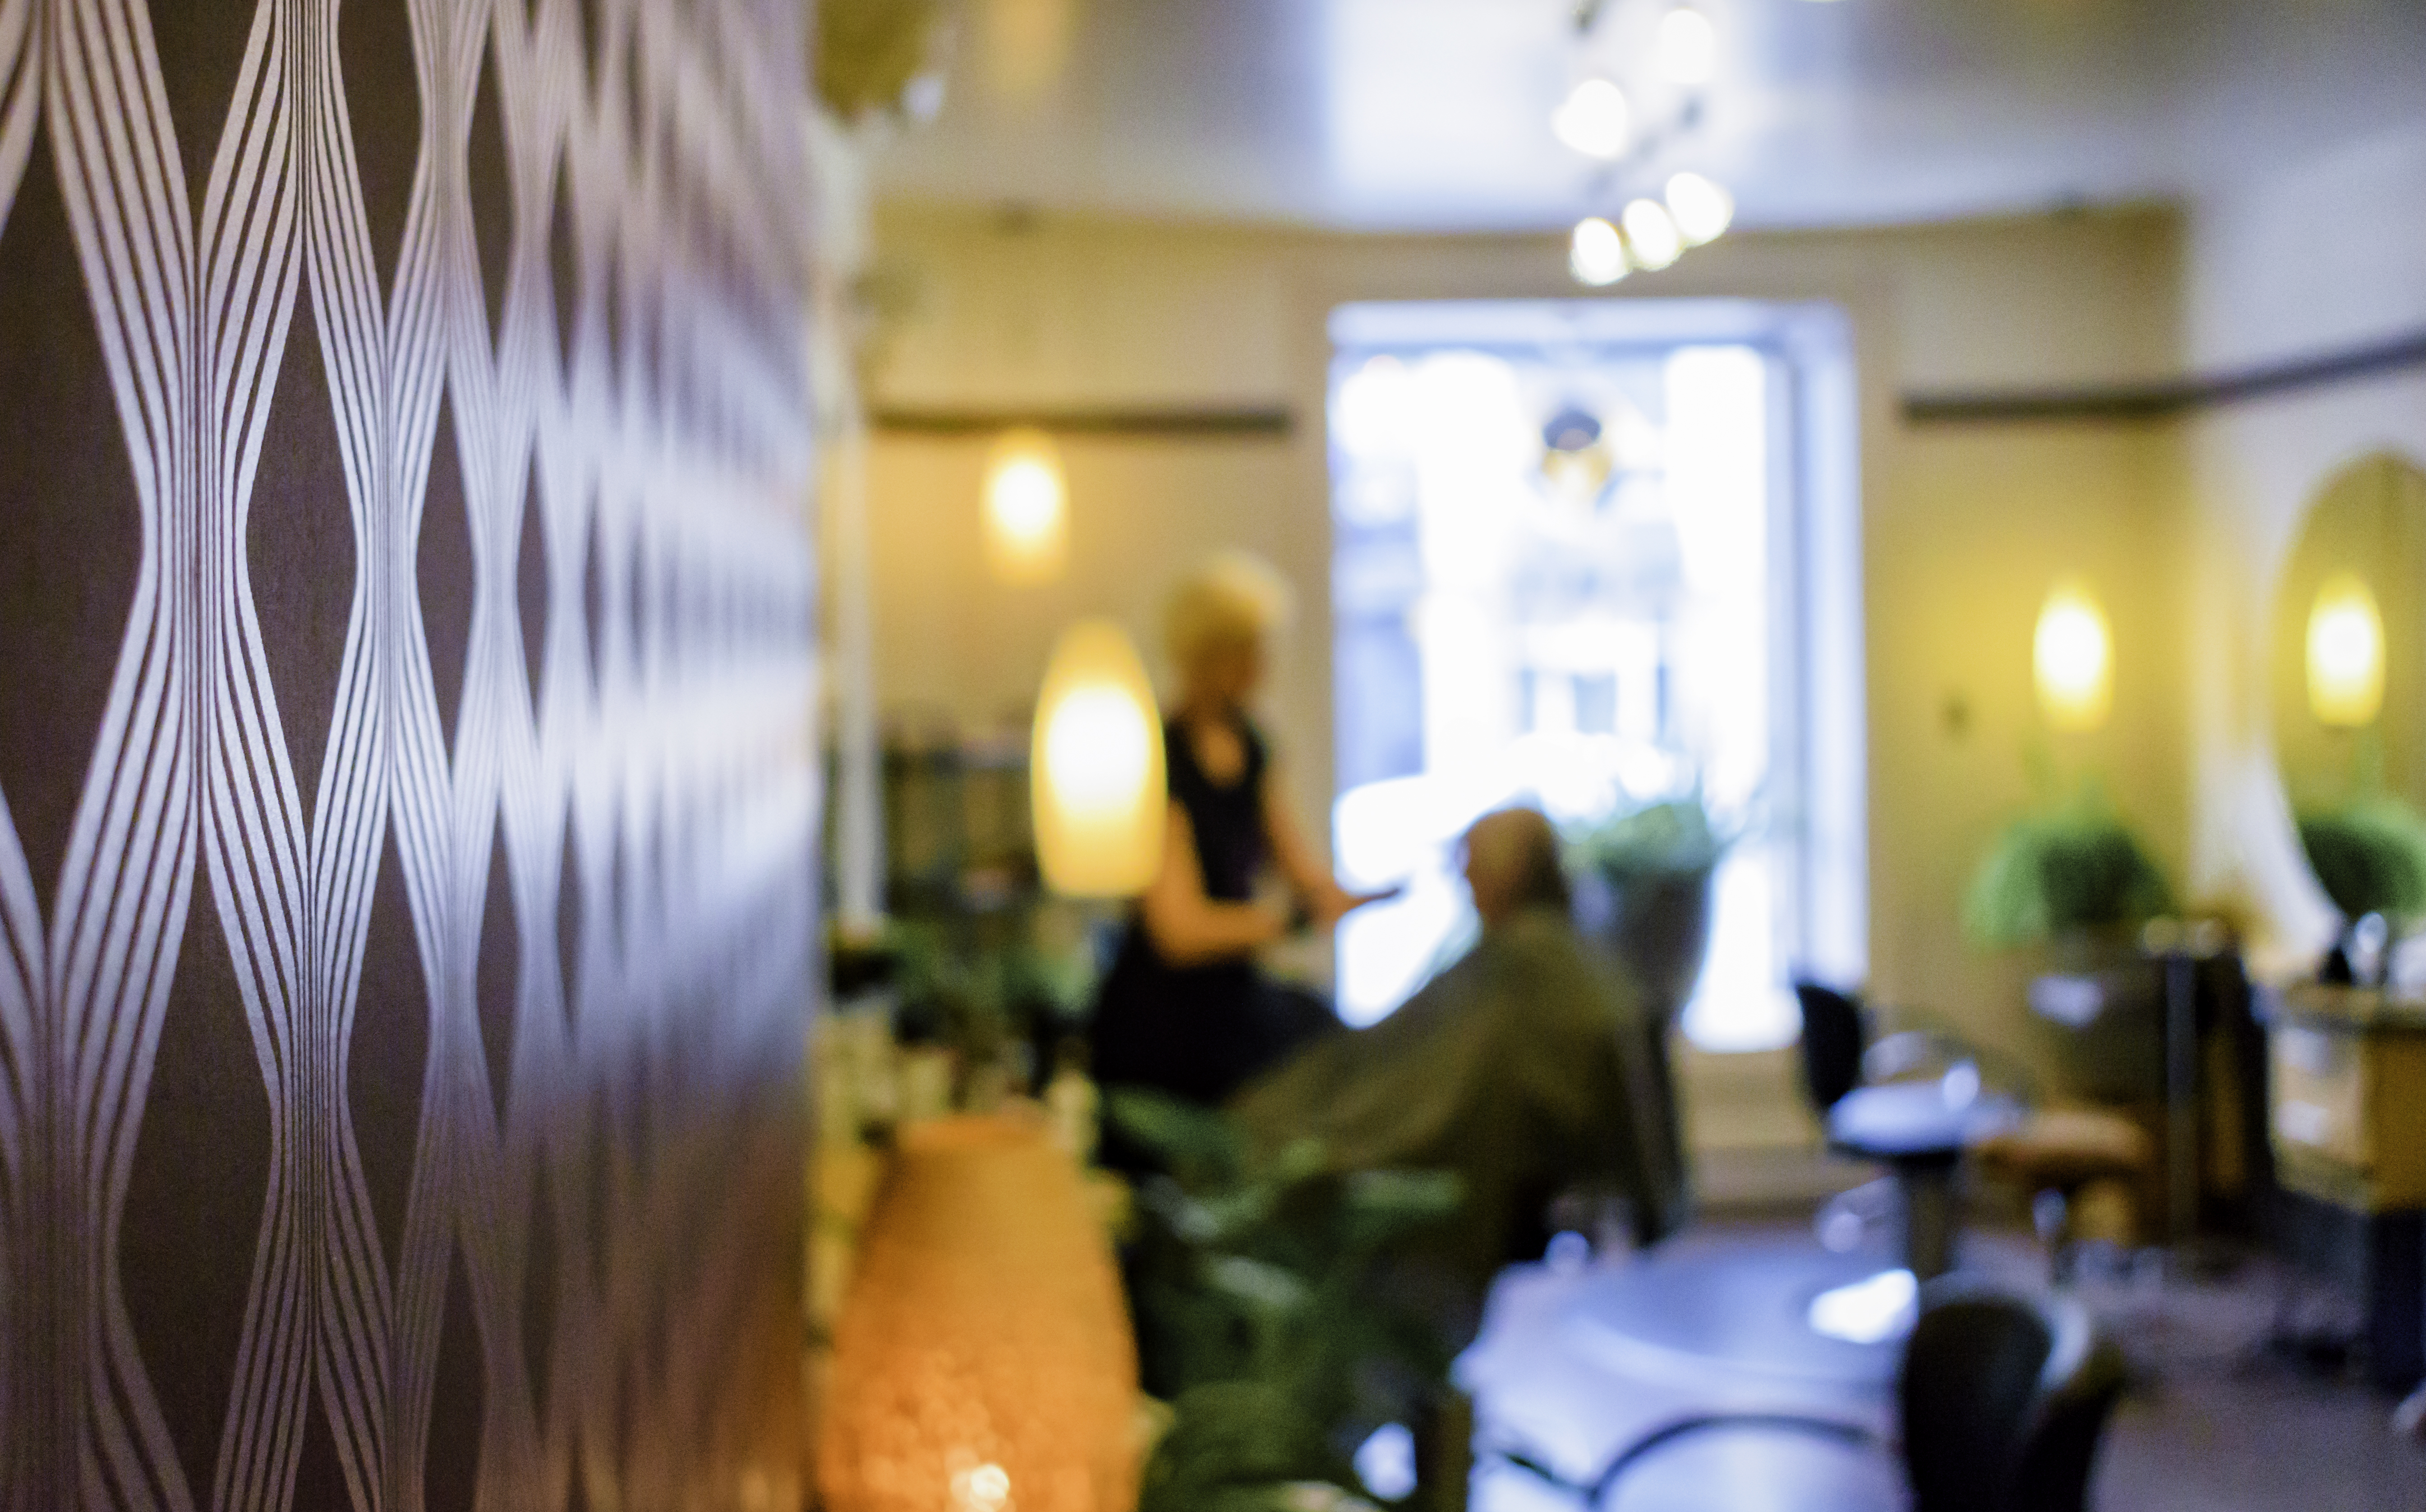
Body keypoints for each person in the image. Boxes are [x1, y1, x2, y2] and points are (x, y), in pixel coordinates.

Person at [1231, 806, 1689, 1337]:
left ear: (1507, 875)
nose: (1466, 882)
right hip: (1405, 1109)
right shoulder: (1560, 961)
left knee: (1276, 1145)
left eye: (1471, 868)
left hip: (1420, 1141)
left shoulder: (1526, 968)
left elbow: (1442, 1098)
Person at [1087, 551, 1387, 1108]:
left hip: (1233, 994)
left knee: (1331, 1042)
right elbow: (1180, 930)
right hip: (1167, 1017)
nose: (1259, 668)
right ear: (1209, 655)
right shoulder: (1162, 758)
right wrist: (1286, 921)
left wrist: (1355, 893)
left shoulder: (1251, 745)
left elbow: (1298, 865)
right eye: (1247, 652)